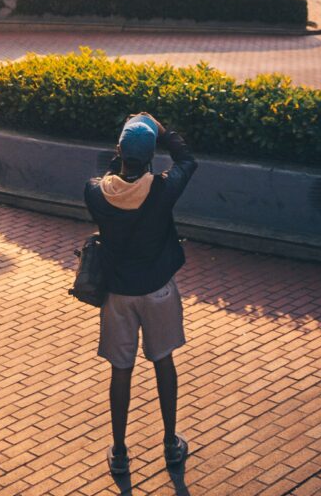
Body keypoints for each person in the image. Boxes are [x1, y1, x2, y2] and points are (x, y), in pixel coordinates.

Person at [84, 112, 198, 476]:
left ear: (119, 150)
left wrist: (126, 144)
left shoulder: (95, 193)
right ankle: (169, 444)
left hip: (117, 294)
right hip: (157, 291)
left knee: (121, 370)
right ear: (151, 154)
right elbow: (188, 161)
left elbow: (110, 173)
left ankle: (119, 451)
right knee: (163, 361)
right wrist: (161, 130)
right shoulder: (163, 190)